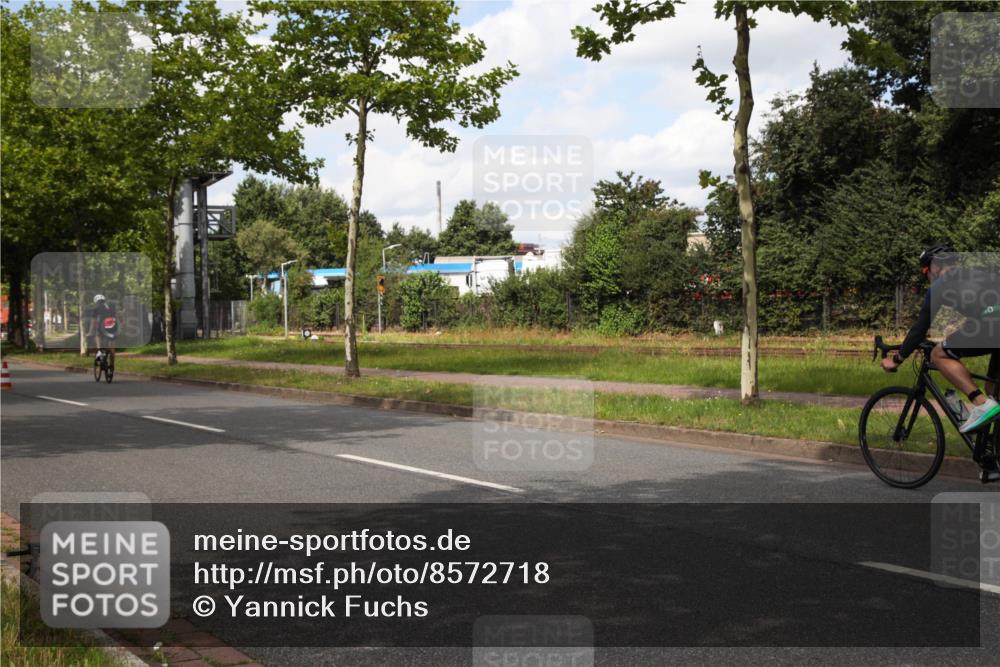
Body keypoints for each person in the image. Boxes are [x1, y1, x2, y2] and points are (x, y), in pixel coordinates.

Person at [881, 245, 999, 435]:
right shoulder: (978, 274)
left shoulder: (941, 283)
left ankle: (980, 403)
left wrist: (896, 359)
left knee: (939, 354)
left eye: (924, 271)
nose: (926, 277)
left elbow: (920, 328)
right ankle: (993, 451)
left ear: (934, 268)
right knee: (992, 387)